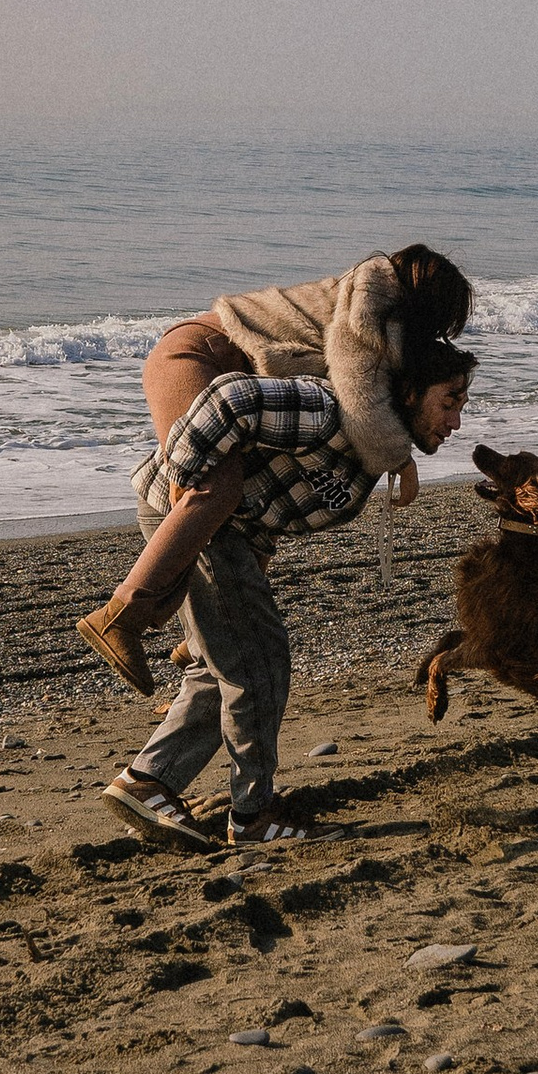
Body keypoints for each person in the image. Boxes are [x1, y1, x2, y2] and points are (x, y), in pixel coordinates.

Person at [101, 328, 476, 853]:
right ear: (410, 393)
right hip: (196, 518)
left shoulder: (370, 452)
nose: (456, 421)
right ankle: (252, 815)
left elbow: (273, 506)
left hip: (228, 533)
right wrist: (188, 491)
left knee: (231, 664)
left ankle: (147, 782)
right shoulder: (327, 410)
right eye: (449, 402)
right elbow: (229, 400)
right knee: (260, 660)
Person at [78, 244, 473, 695]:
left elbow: (370, 396)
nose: (439, 336)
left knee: (253, 506)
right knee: (217, 488)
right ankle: (120, 616)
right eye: (441, 322)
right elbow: (360, 396)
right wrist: (401, 460)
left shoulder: (388, 320)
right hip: (198, 354)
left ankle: (198, 638)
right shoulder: (371, 299)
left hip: (237, 373)